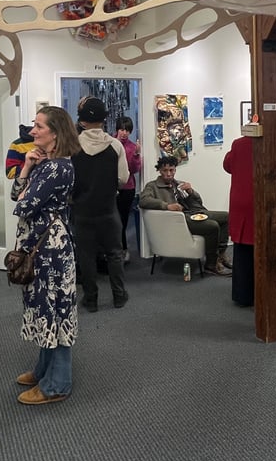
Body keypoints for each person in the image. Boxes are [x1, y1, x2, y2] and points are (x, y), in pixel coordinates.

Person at [10, 106, 81, 404]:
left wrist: (28, 191)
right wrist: (26, 167)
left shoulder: (58, 167)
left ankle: (57, 384)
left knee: (54, 309)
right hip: (43, 247)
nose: (32, 131)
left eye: (39, 126)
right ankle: (44, 369)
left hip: (50, 249)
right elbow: (17, 194)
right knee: (44, 307)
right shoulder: (44, 163)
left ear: (56, 132)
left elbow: (23, 207)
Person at [223, 131, 276, 307]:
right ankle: (266, 293)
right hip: (266, 203)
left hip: (241, 202)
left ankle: (243, 295)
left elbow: (227, 165)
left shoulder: (238, 143)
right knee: (267, 251)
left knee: (242, 251)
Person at [71, 97, 130, 311]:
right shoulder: (115, 145)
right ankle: (119, 296)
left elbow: (68, 180)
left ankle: (91, 299)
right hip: (108, 208)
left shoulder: (73, 146)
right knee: (114, 253)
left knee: (86, 256)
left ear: (82, 122)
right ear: (104, 120)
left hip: (82, 211)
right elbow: (123, 178)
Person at [139, 155, 232, 275]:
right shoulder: (152, 186)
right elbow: (143, 200)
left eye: (171, 170)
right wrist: (166, 206)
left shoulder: (178, 184)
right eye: (165, 171)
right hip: (178, 221)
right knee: (212, 226)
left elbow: (198, 203)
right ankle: (211, 264)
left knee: (226, 216)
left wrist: (191, 192)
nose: (168, 174)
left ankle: (221, 255)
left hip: (194, 213)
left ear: (175, 170)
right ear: (160, 171)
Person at [114, 115, 143, 261]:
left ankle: (123, 249)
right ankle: (114, 250)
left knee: (123, 220)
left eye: (127, 130)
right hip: (111, 188)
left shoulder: (131, 147)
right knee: (113, 220)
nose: (124, 133)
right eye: (122, 129)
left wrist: (137, 154)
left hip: (127, 188)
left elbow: (134, 169)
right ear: (117, 129)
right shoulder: (109, 143)